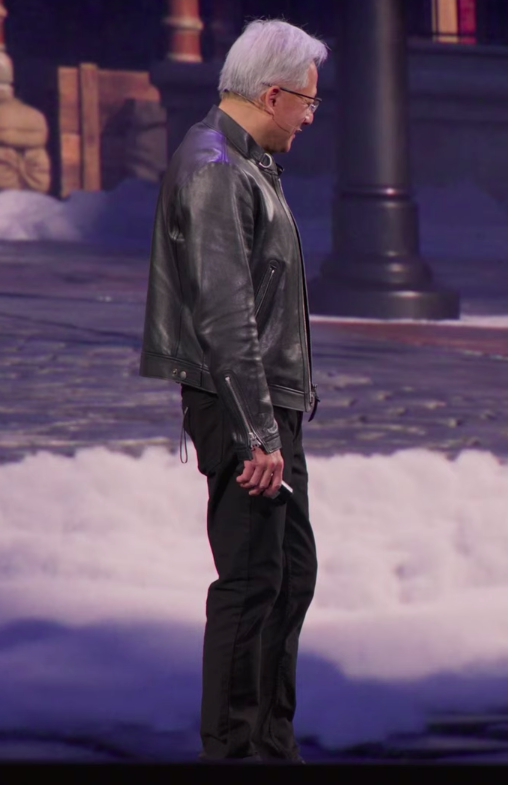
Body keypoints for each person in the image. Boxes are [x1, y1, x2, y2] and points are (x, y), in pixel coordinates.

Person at [139, 19, 327, 762]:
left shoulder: (244, 163)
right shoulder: (215, 166)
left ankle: (271, 743)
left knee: (291, 574)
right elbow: (224, 312)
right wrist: (257, 433)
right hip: (243, 403)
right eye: (307, 101)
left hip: (268, 401)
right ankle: (234, 750)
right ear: (272, 95)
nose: (311, 117)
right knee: (251, 582)